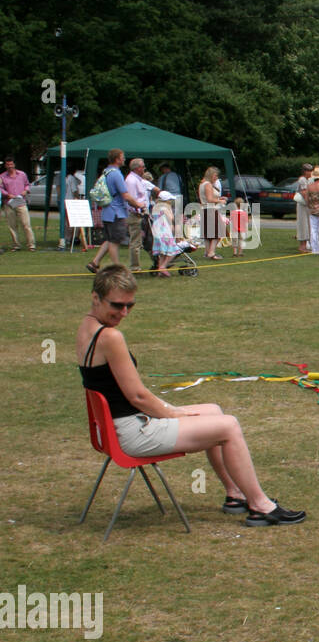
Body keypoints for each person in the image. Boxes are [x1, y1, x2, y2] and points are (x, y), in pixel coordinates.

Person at [77, 266, 306, 526]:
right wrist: (174, 414)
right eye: (117, 305)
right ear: (95, 297)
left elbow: (127, 393)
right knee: (229, 426)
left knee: (213, 410)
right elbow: (138, 396)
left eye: (131, 305)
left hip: (116, 428)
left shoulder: (87, 326)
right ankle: (261, 505)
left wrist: (175, 411)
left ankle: (235, 494)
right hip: (131, 433)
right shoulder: (110, 337)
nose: (124, 313)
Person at [88, 150, 144, 273]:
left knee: (109, 239)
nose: (124, 159)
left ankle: (94, 263)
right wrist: (138, 204)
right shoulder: (116, 174)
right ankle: (117, 269)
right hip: (116, 213)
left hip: (107, 212)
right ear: (117, 159)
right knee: (115, 241)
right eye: (122, 157)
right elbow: (126, 195)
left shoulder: (106, 171)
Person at [1, 157, 35, 251]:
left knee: (26, 224)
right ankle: (16, 245)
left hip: (21, 202)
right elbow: (0, 188)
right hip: (9, 203)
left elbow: (27, 184)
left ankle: (31, 245)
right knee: (12, 225)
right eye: (8, 165)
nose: (10, 166)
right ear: (5, 165)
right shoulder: (2, 176)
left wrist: (26, 191)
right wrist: (7, 194)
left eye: (11, 164)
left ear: (14, 164)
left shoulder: (22, 174)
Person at [123, 158, 151, 271]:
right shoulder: (131, 180)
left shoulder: (138, 180)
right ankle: (135, 267)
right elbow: (131, 199)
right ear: (137, 168)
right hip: (135, 215)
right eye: (143, 166)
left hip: (141, 213)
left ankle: (157, 261)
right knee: (135, 242)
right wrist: (139, 209)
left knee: (145, 240)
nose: (144, 168)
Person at [149, 190, 181, 277]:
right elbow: (171, 219)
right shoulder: (165, 208)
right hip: (164, 232)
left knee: (162, 253)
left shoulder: (155, 207)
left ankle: (160, 270)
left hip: (156, 232)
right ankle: (163, 267)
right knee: (173, 251)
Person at [198, 166, 224, 260]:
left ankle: (207, 252)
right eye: (215, 176)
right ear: (211, 175)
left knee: (208, 233)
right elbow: (209, 199)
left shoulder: (202, 183)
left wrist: (218, 199)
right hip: (210, 209)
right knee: (219, 231)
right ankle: (211, 252)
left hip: (204, 209)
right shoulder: (208, 184)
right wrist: (220, 201)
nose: (216, 178)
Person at [293, 162, 313, 254]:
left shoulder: (310, 179)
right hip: (303, 205)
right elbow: (304, 192)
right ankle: (302, 246)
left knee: (308, 224)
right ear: (305, 171)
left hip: (308, 205)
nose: (311, 172)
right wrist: (310, 203)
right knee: (303, 224)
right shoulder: (302, 180)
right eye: (309, 170)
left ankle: (306, 244)